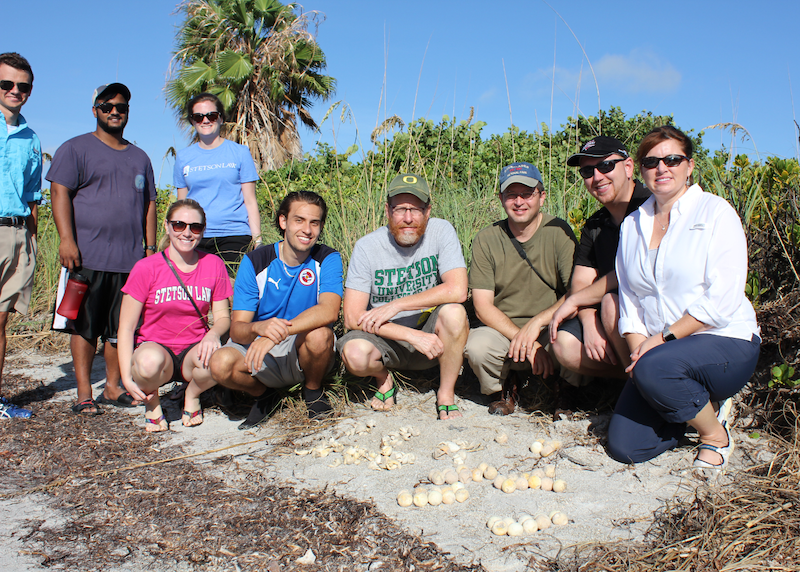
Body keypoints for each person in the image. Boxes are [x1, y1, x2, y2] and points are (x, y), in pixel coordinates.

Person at [607, 125, 760, 469]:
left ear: (689, 166)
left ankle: (715, 435)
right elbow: (630, 300)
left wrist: (661, 339)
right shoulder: (633, 225)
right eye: (651, 162)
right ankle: (693, 407)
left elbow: (723, 299)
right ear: (641, 170)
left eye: (672, 159)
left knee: (657, 365)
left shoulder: (715, 212)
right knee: (626, 448)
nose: (662, 168)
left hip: (724, 340)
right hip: (662, 356)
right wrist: (637, 349)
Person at [48, 83, 157, 415]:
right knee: (85, 326)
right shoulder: (75, 148)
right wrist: (67, 240)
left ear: (127, 113)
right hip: (86, 256)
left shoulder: (140, 157)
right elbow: (58, 192)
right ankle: (84, 393)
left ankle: (112, 387)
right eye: (107, 105)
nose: (114, 111)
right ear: (95, 109)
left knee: (117, 330)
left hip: (129, 261)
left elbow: (150, 203)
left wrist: (150, 250)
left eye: (121, 107)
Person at [337, 173, 469, 420]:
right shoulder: (367, 247)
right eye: (400, 209)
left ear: (428, 211)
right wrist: (409, 335)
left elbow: (458, 290)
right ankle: (383, 378)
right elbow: (352, 318)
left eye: (416, 209)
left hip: (432, 337)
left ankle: (446, 394)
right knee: (354, 354)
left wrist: (396, 305)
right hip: (386, 339)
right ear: (387, 211)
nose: (408, 218)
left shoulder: (441, 231)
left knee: (455, 312)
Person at [209, 191, 342, 429]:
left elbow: (329, 311)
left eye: (315, 223)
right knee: (219, 364)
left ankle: (312, 390)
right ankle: (263, 395)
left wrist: (276, 334)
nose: (307, 230)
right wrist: (261, 329)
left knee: (320, 334)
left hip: (300, 347)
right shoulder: (255, 261)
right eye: (299, 220)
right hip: (260, 350)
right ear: (283, 221)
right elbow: (238, 330)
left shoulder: (328, 257)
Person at [465, 162, 576, 415]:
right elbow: (482, 307)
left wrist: (536, 326)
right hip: (504, 330)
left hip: (550, 326)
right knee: (477, 346)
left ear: (542, 196)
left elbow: (575, 293)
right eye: (511, 194)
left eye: (527, 194)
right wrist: (524, 338)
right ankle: (501, 388)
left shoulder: (559, 232)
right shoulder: (487, 238)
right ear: (501, 198)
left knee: (574, 338)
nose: (519, 201)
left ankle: (567, 389)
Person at [118, 199, 232, 431]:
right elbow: (126, 328)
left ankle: (191, 395)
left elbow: (222, 317)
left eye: (195, 227)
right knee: (148, 363)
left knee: (220, 359)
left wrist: (213, 335)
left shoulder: (213, 264)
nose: (187, 233)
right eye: (179, 225)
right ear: (167, 226)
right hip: (157, 349)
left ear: (202, 230)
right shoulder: (146, 267)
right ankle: (152, 402)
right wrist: (126, 377)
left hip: (194, 348)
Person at [549, 136, 651, 379]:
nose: (597, 177)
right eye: (587, 171)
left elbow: (636, 268)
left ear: (628, 167)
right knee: (564, 345)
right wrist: (587, 317)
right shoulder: (595, 224)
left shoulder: (651, 207)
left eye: (605, 166)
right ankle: (629, 381)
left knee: (610, 304)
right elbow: (580, 285)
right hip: (614, 317)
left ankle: (651, 384)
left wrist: (577, 303)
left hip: (656, 310)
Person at [174, 92, 261, 269]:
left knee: (229, 290)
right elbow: (181, 204)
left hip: (234, 235)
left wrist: (257, 240)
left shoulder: (240, 152)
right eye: (198, 117)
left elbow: (250, 201)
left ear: (221, 118)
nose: (205, 120)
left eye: (211, 115)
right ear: (192, 121)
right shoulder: (183, 157)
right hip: (194, 236)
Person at [0, 53, 41, 420]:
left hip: (16, 232)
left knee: (0, 320)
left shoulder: (31, 138)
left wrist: (32, 240)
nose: (15, 91)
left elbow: (32, 197)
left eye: (22, 86)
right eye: (6, 84)